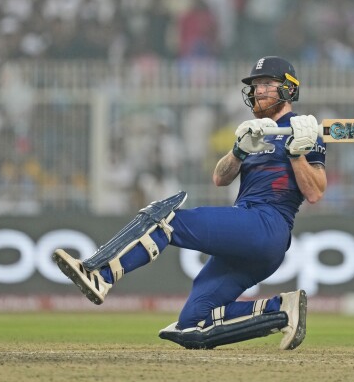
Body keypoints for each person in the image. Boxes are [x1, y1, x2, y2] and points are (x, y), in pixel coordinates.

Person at [53, 56, 327, 350]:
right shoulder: (258, 130)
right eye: (256, 85)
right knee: (191, 325)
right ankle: (282, 310)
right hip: (247, 230)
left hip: (268, 224)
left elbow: (314, 192)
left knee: (165, 218)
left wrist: (297, 153)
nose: (259, 90)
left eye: (267, 84)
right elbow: (220, 178)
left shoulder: (303, 131)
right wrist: (238, 151)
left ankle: (100, 273)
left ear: (288, 89)